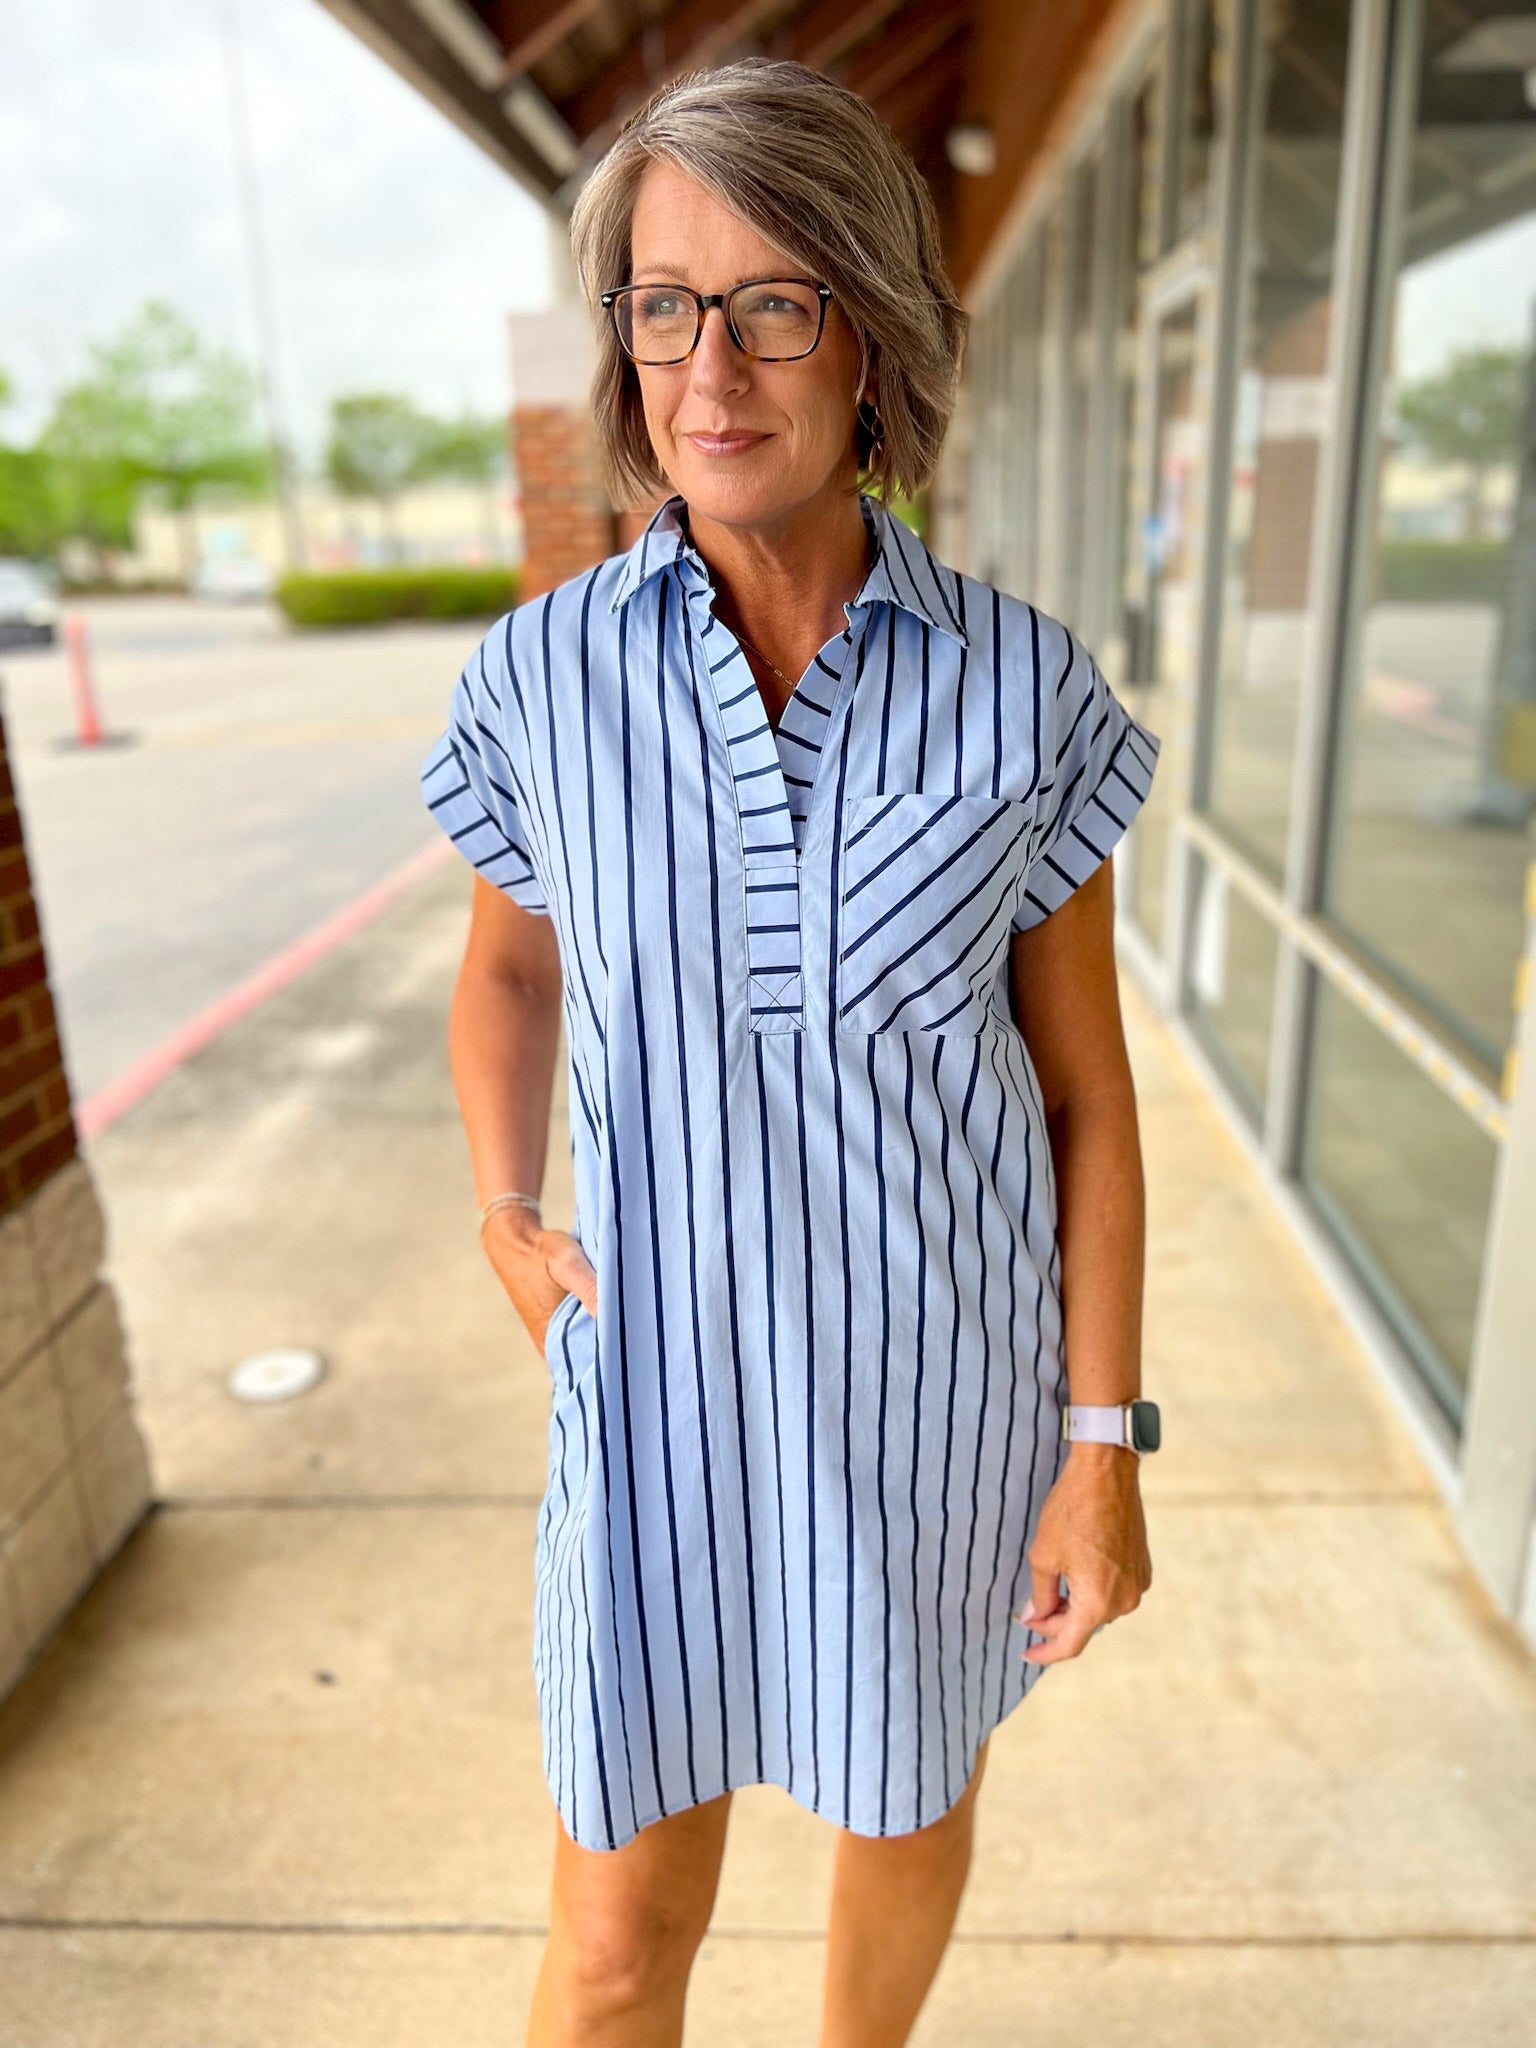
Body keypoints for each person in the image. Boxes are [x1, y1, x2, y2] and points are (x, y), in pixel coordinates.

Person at [419, 55, 1160, 2048]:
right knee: (605, 1956)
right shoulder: (545, 676)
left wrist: (1102, 1451)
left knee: (898, 1805)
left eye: (773, 298)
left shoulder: (1022, 691)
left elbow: (1085, 1093)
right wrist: (504, 1210)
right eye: (666, 303)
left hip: (935, 1408)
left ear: (870, 330)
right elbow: (505, 976)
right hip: (651, 1408)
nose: (712, 363)